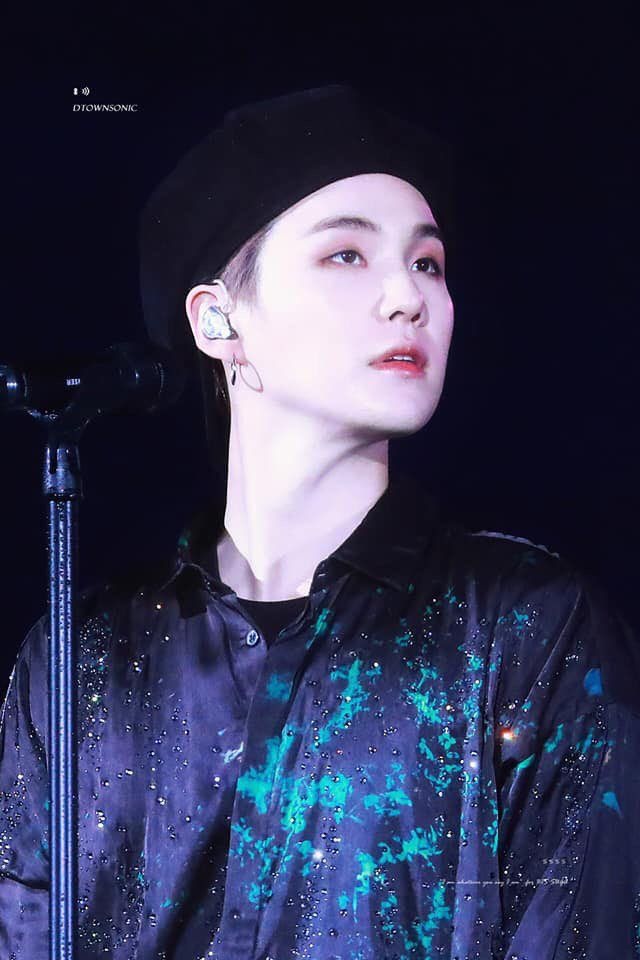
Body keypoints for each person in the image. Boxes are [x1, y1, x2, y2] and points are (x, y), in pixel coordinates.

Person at [1, 83, 638, 960]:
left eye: (428, 264)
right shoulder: (85, 659)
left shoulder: (526, 627)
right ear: (218, 319)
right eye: (346, 255)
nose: (407, 297)